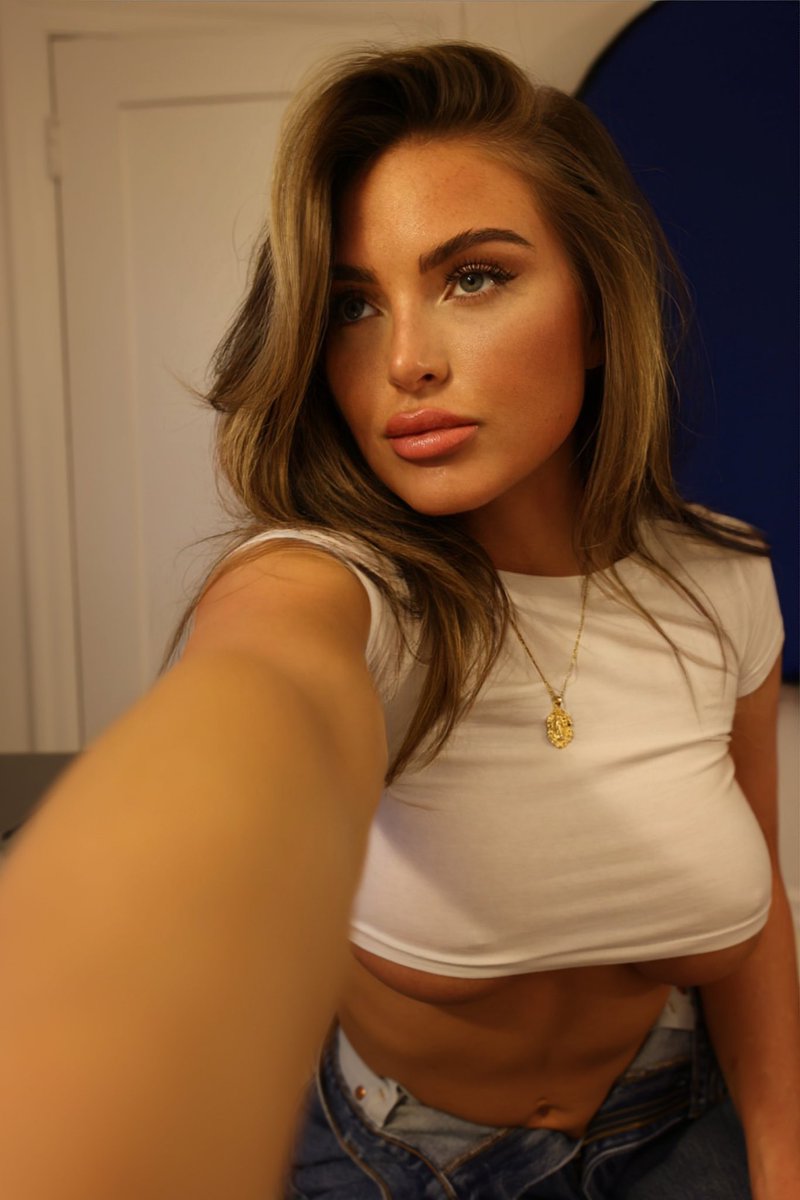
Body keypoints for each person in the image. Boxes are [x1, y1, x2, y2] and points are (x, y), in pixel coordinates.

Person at [0, 41, 797, 1200]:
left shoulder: (722, 578)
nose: (405, 361)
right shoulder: (334, 588)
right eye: (351, 305)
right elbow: (253, 702)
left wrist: (781, 1158)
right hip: (402, 1159)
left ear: (594, 307)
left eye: (471, 277)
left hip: (680, 1122)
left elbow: (757, 916)